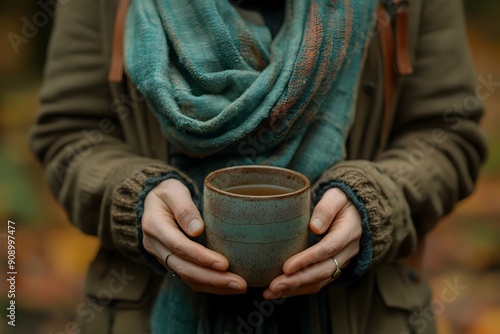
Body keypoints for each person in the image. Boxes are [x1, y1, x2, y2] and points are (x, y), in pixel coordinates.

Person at [29, 0, 487, 333]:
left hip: (361, 316)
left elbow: (448, 134)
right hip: (142, 314)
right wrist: (134, 198)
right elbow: (69, 134)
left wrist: (377, 201)